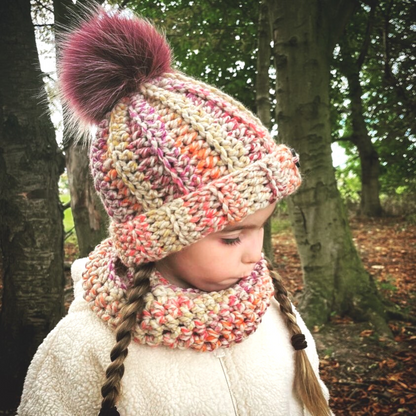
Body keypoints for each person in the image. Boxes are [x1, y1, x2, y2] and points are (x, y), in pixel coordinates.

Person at [17, 6, 332, 416]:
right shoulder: (84, 348)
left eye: (262, 227)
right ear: (158, 238)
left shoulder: (272, 313)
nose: (256, 254)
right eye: (232, 236)